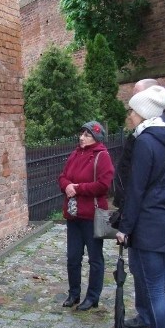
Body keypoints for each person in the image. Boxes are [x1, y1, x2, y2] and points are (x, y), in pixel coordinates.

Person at [114, 86, 165, 328]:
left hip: (148, 224)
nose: (129, 115)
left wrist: (124, 228)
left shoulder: (145, 143)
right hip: (164, 220)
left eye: (132, 110)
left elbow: (136, 190)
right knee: (164, 285)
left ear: (142, 113)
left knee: (154, 287)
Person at [58, 121, 114, 311]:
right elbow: (63, 176)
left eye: (87, 134)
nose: (82, 137)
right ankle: (74, 293)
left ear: (96, 138)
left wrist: (78, 188)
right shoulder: (75, 154)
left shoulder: (102, 156)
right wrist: (66, 186)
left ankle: (92, 297)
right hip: (74, 215)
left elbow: (103, 185)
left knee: (94, 258)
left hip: (92, 216)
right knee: (73, 257)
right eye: (81, 133)